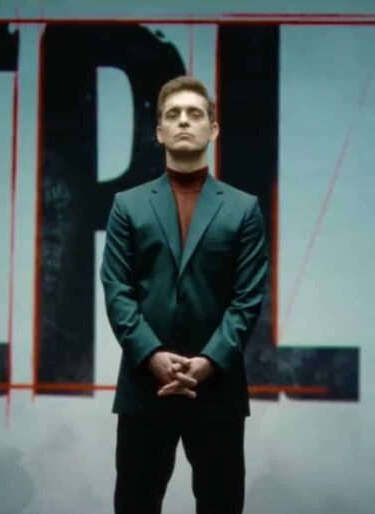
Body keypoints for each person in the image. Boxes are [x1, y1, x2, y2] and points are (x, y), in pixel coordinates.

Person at [100, 75, 268, 514]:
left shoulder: (243, 208)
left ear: (213, 129)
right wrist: (152, 355)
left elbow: (248, 298)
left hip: (217, 389)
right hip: (144, 387)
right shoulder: (127, 205)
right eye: (173, 115)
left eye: (195, 113)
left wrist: (209, 361)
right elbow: (117, 289)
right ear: (159, 131)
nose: (184, 121)